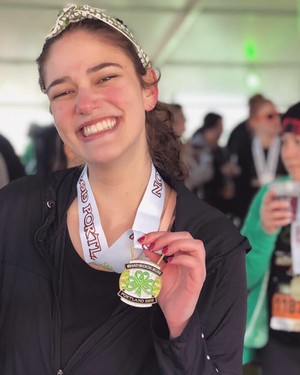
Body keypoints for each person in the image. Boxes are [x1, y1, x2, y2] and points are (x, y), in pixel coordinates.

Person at [0, 4, 250, 374]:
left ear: (148, 89)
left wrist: (181, 328)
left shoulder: (213, 246)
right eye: (63, 91)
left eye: (104, 78)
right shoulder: (16, 210)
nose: (85, 104)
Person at [242, 102, 300, 374]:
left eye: (298, 142)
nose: (288, 153)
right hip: (280, 339)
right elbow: (241, 275)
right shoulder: (272, 194)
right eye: (285, 142)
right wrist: (264, 232)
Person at [228, 94, 287, 228]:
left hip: (282, 217)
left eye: (278, 114)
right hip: (250, 217)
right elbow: (239, 189)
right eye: (270, 116)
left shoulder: (288, 148)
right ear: (254, 122)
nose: (276, 119)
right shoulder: (243, 149)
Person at [185, 112, 240, 215]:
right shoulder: (196, 147)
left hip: (219, 199)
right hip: (201, 198)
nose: (221, 130)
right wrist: (220, 170)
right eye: (219, 126)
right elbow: (199, 174)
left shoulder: (220, 150)